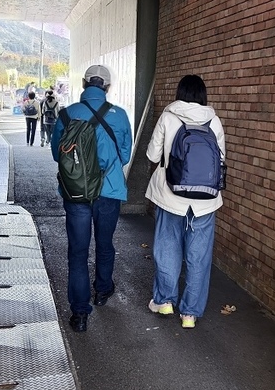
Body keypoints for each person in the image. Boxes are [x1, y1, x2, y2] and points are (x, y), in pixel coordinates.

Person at [50, 64, 133, 333]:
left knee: (77, 251)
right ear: (106, 87)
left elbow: (56, 155)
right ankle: (103, 290)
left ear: (84, 84)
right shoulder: (119, 116)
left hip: (76, 193)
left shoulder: (66, 114)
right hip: (108, 191)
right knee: (105, 244)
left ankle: (80, 313)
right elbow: (125, 156)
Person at [145, 74, 226, 329]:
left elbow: (152, 154)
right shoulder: (214, 121)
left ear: (180, 93)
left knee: (168, 249)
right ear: (203, 95)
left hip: (171, 198)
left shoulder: (168, 117)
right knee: (198, 257)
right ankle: (189, 314)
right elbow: (220, 162)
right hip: (205, 202)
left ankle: (165, 301)